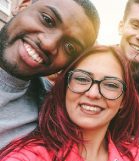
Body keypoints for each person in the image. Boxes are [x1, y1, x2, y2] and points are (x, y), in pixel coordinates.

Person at [0, 45, 139, 161]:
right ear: (65, 86)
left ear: (124, 100)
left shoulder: (138, 159)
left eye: (111, 85)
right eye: (81, 79)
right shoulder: (29, 159)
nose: (93, 93)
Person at [0, 0, 100, 148]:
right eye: (47, 20)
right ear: (23, 5)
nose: (49, 44)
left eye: (69, 47)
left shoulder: (51, 112)